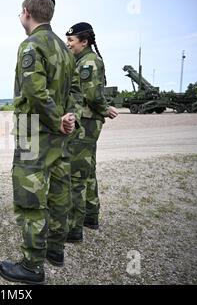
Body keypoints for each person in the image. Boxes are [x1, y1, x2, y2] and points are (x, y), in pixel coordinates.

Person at [0, 0, 80, 284]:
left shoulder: (31, 45)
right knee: (59, 192)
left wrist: (57, 120)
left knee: (31, 198)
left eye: (20, 12)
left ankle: (32, 265)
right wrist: (69, 116)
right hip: (59, 138)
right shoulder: (63, 48)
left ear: (26, 12)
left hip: (36, 134)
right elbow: (73, 92)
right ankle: (55, 250)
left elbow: (34, 91)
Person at [65, 22, 118, 242]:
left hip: (85, 123)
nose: (68, 44)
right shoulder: (81, 60)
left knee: (76, 175)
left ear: (84, 41)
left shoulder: (89, 62)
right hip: (86, 122)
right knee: (87, 171)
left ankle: (74, 229)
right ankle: (90, 216)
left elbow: (92, 95)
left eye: (71, 40)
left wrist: (105, 109)